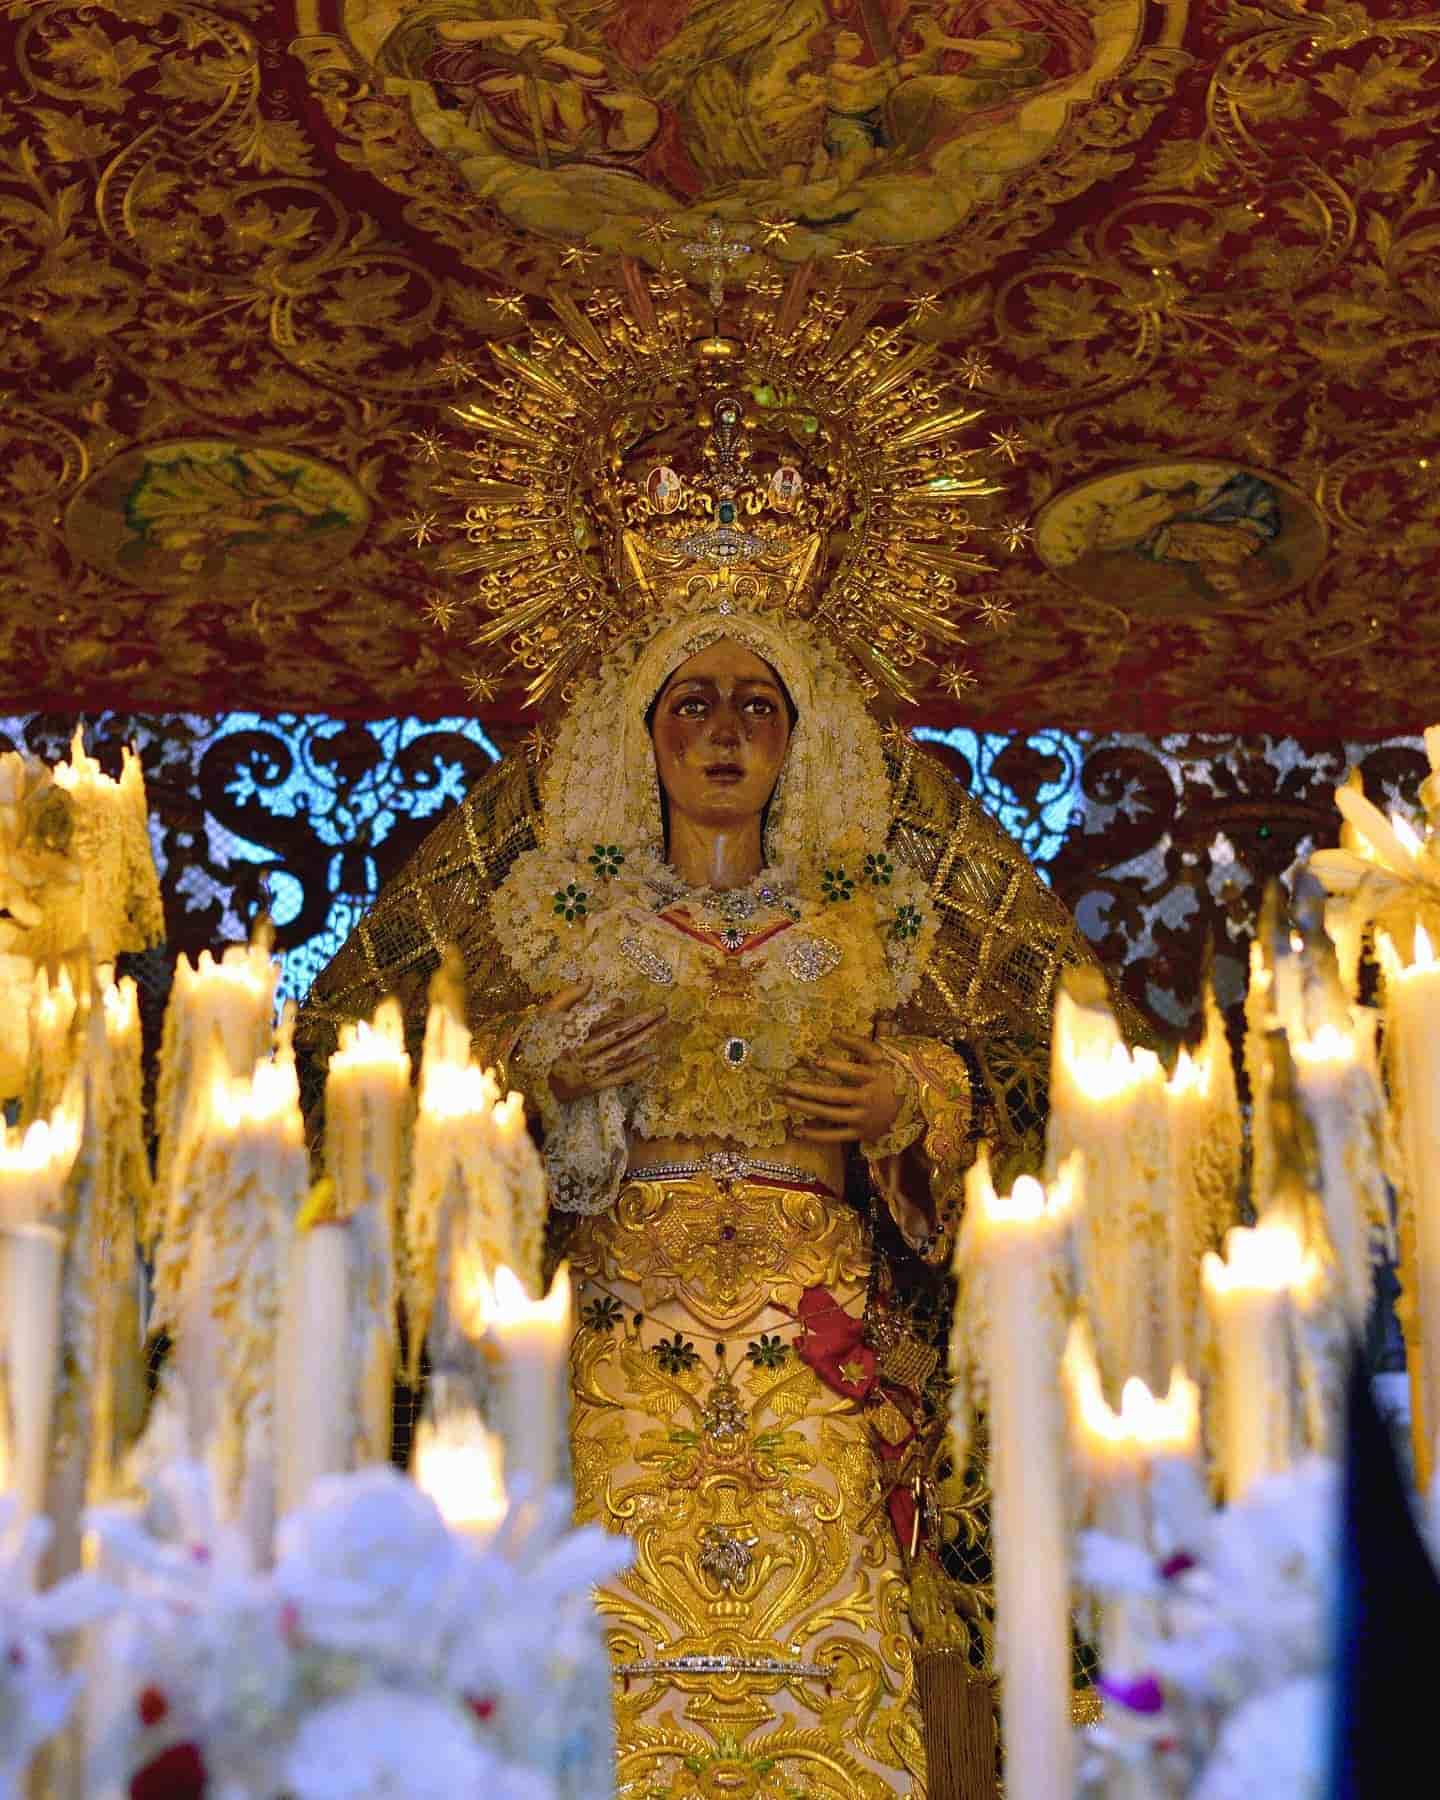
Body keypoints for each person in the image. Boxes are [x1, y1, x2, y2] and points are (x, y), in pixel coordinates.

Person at [297, 375, 1132, 1796]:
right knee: (606, 1648)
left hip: (826, 1357)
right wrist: (537, 1082)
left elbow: (1060, 1065)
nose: (726, 732)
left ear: (804, 739)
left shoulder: (880, 911)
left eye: (759, 704)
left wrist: (910, 1106)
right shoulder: (553, 913)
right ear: (647, 732)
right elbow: (374, 1079)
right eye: (694, 703)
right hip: (619, 1348)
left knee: (839, 1652)